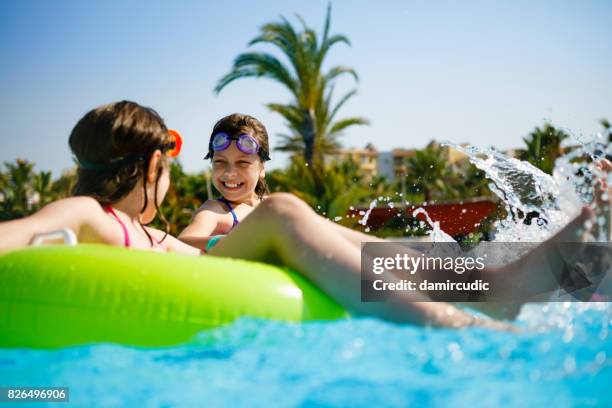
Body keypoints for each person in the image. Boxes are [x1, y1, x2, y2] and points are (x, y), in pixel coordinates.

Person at [0, 100, 600, 330]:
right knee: (287, 213)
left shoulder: (125, 221)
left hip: (214, 262)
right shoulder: (90, 211)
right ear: (153, 164)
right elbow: (21, 233)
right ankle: (460, 323)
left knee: (359, 241)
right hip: (207, 268)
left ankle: (502, 282)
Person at [179, 114, 270, 252]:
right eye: (220, 162)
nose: (229, 173)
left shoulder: (271, 206)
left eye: (243, 163)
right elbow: (182, 243)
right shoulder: (216, 211)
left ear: (262, 168)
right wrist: (226, 241)